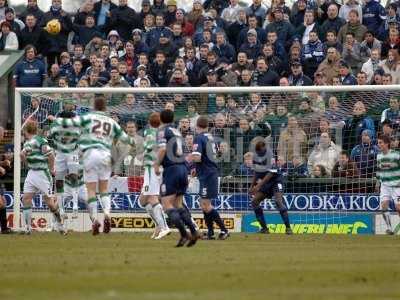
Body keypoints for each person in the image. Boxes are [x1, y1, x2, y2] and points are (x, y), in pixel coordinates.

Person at [72, 94, 134, 235]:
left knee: (91, 190)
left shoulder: (88, 117)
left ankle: (94, 220)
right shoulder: (111, 121)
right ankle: (107, 214)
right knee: (104, 189)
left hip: (90, 154)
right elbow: (125, 138)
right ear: (105, 107)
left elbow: (73, 124)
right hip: (106, 155)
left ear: (94, 106)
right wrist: (135, 143)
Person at [155, 109, 199, 247]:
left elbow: (162, 149)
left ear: (161, 119)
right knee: (178, 204)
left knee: (166, 203)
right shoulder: (177, 131)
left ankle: (184, 234)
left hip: (172, 169)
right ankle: (193, 231)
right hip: (182, 168)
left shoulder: (162, 131)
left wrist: (156, 164)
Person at [20, 121, 65, 235]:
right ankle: (28, 229)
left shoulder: (40, 141)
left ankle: (60, 224)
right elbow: (23, 154)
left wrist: (50, 169)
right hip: (32, 173)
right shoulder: (29, 142)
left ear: (26, 131)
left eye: (24, 130)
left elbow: (51, 155)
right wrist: (28, 164)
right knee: (26, 199)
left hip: (42, 174)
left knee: (49, 202)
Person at [191, 116, 229, 240]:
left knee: (206, 204)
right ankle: (211, 232)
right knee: (204, 203)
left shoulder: (199, 138)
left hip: (207, 174)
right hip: (209, 172)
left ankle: (224, 230)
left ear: (197, 126)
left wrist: (186, 160)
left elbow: (197, 158)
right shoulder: (211, 138)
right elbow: (216, 154)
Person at [249, 140, 292, 235]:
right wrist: (252, 186)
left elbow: (270, 173)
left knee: (278, 201)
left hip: (275, 181)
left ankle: (288, 228)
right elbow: (256, 172)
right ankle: (264, 228)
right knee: (254, 201)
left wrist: (258, 186)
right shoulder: (255, 157)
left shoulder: (270, 155)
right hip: (265, 184)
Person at [49, 99, 80, 223]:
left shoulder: (75, 127)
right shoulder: (56, 127)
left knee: (73, 176)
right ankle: (61, 209)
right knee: (59, 181)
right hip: (60, 154)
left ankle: (75, 206)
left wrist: (54, 119)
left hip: (72, 152)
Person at [139, 112, 170, 240]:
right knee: (142, 200)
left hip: (152, 168)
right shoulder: (160, 132)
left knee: (151, 197)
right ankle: (158, 225)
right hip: (152, 168)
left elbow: (153, 150)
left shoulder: (151, 134)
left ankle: (164, 227)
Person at [376, 134, 400, 235]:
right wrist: (377, 182)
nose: (379, 145)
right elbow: (379, 170)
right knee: (384, 206)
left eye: (380, 143)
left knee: (398, 207)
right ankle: (389, 228)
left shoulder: (396, 155)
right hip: (385, 185)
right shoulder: (379, 156)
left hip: (396, 185)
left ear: (387, 144)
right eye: (378, 143)